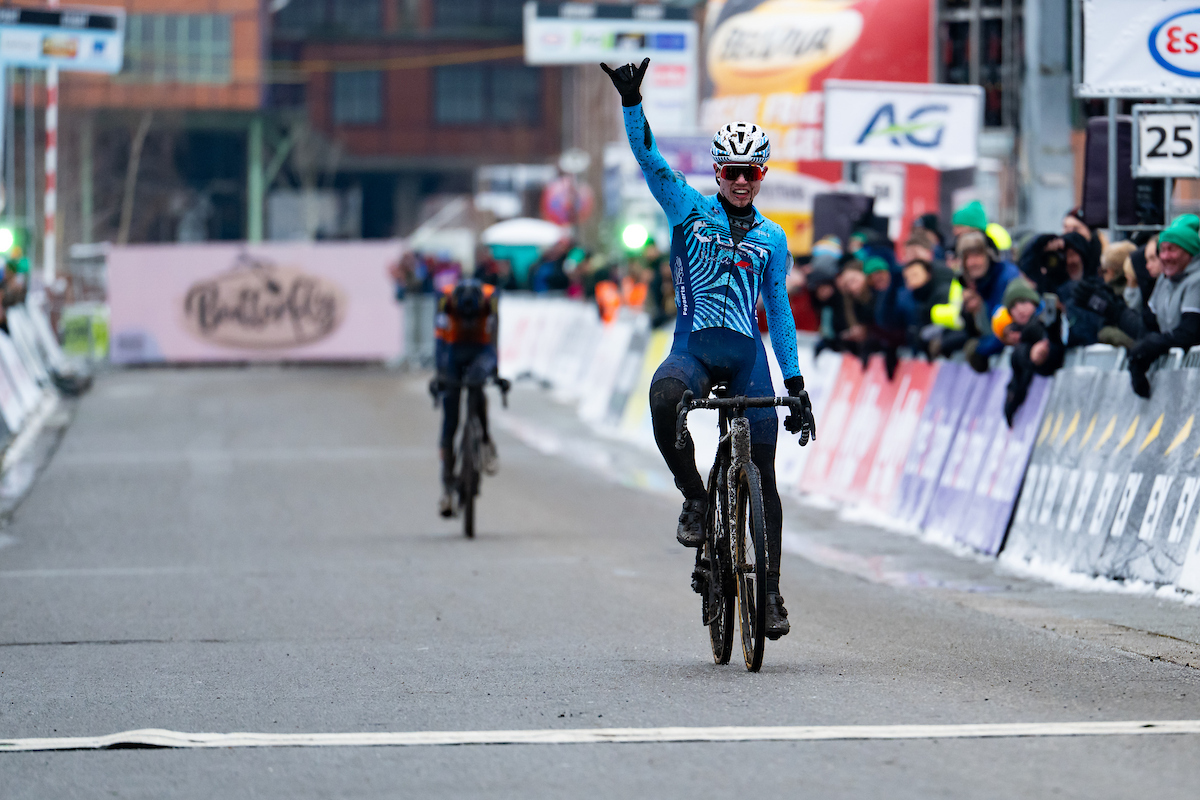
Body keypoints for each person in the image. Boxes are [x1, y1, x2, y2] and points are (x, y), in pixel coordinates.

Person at [603, 57, 815, 639]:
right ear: (718, 173)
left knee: (765, 475)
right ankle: (695, 499)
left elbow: (781, 313)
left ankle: (769, 592)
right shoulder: (688, 209)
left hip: (748, 359)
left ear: (762, 173)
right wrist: (632, 103)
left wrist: (795, 386)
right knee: (665, 396)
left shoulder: (773, 239)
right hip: (693, 350)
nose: (741, 181)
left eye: (751, 172)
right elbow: (649, 160)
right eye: (731, 172)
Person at [433, 278, 500, 517]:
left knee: (477, 385)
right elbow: (439, 340)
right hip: (453, 350)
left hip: (481, 349)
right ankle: (448, 484)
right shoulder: (444, 298)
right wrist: (439, 376)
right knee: (450, 417)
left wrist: (496, 372)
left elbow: (495, 336)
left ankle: (483, 437)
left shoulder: (491, 297)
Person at [1125, 215, 1200, 398]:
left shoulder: (1196, 280)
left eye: (1172, 250)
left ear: (1189, 251)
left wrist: (1153, 346)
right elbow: (1149, 322)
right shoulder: (1164, 280)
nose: (1165, 257)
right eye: (1162, 250)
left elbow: (1190, 331)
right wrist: (1139, 357)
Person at [956, 230, 1021, 371]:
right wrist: (968, 313)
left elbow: (1007, 331)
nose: (973, 262)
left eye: (977, 255)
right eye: (968, 257)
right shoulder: (980, 285)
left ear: (989, 256)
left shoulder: (1006, 279)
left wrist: (980, 349)